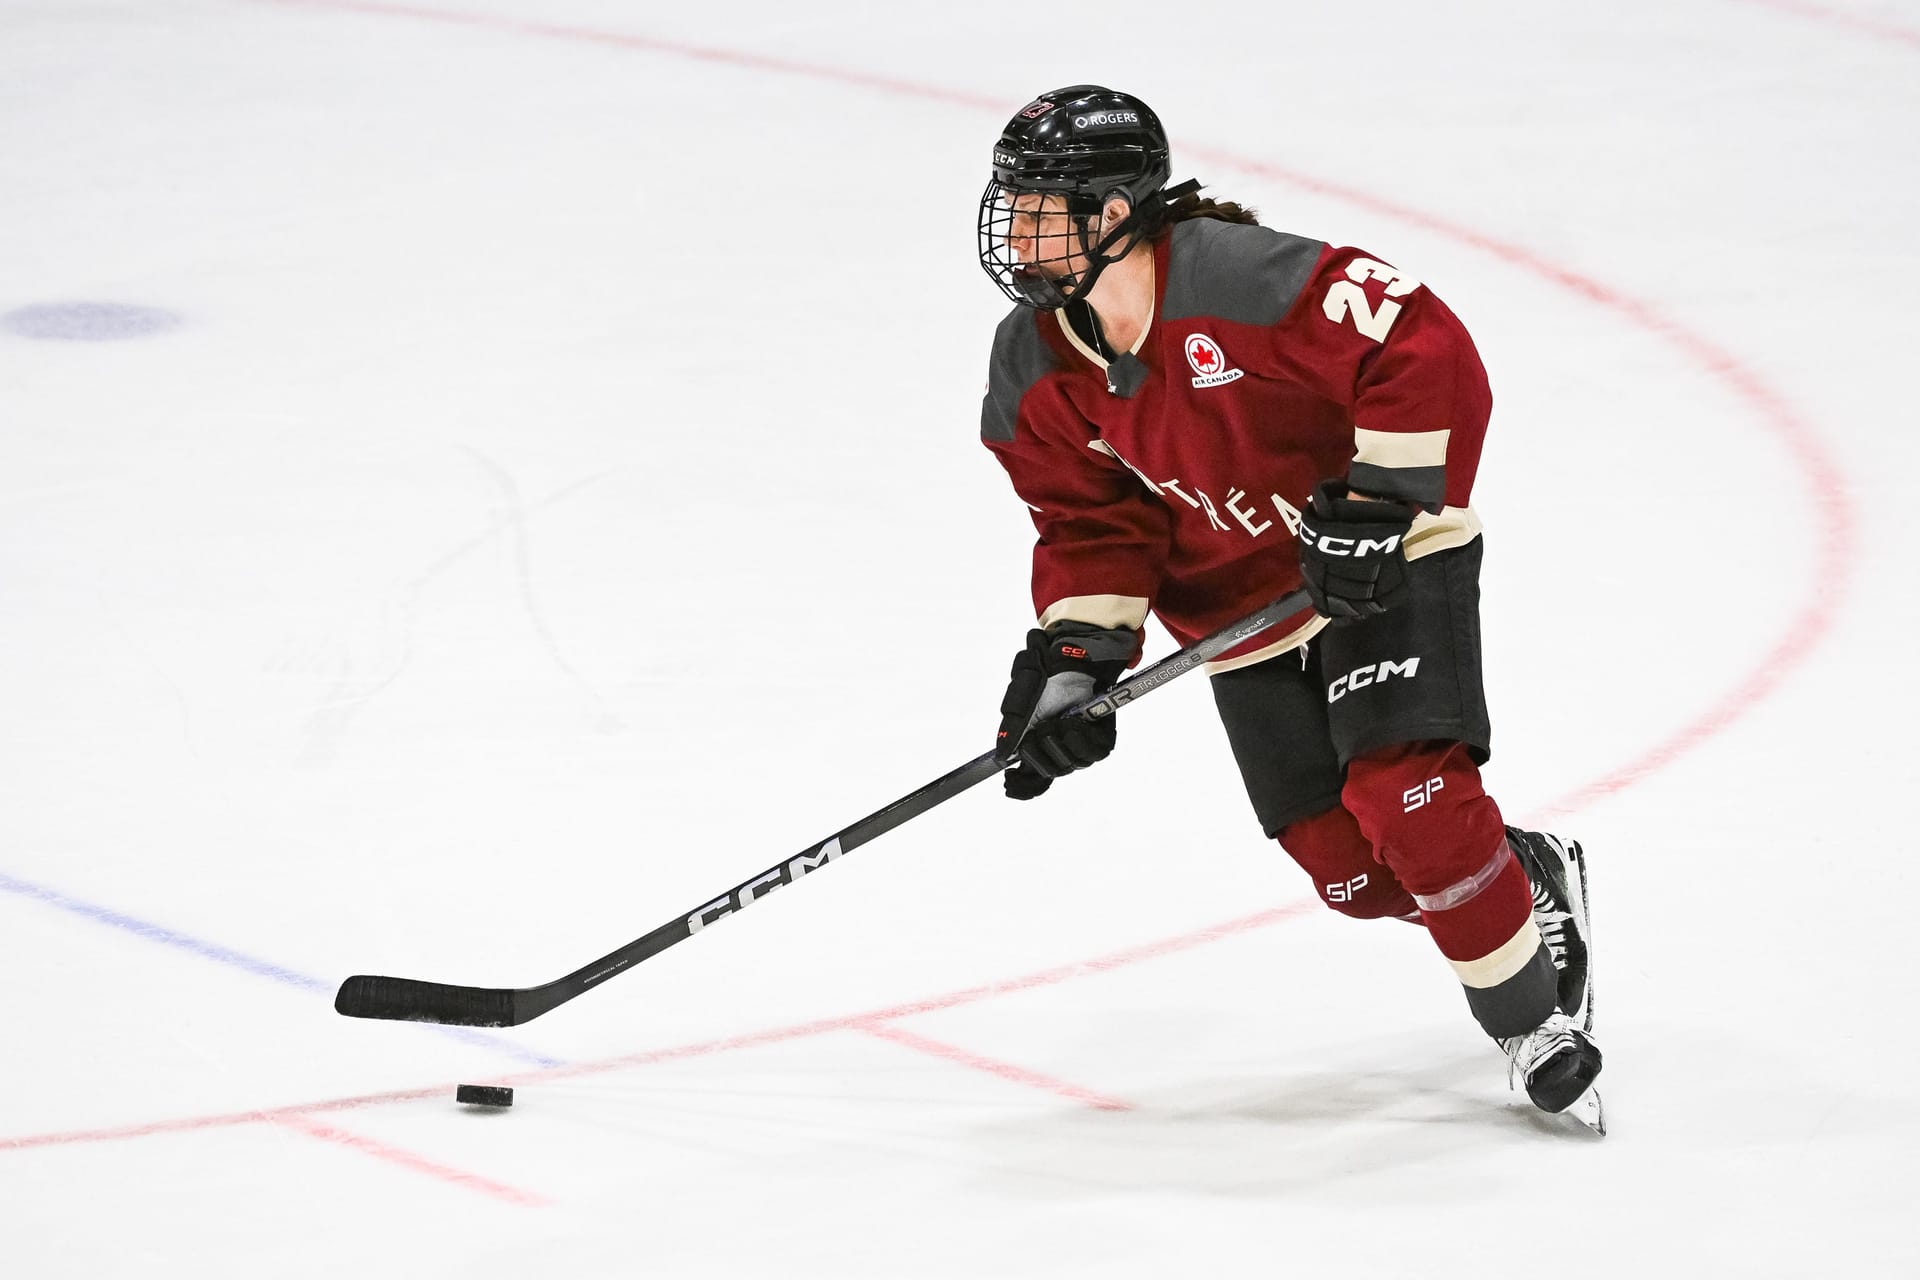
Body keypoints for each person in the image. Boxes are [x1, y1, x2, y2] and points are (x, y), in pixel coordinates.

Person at [977, 85, 1603, 1128]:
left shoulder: (1239, 282)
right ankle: (1520, 868)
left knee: (1409, 800)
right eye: (1015, 199)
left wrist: (1377, 502)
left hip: (1379, 563)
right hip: (1242, 610)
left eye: (1048, 203)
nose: (1021, 226)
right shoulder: (1032, 361)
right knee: (1350, 876)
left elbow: (1423, 345)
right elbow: (1089, 520)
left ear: (1122, 210)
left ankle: (1535, 1025)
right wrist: (1079, 657)